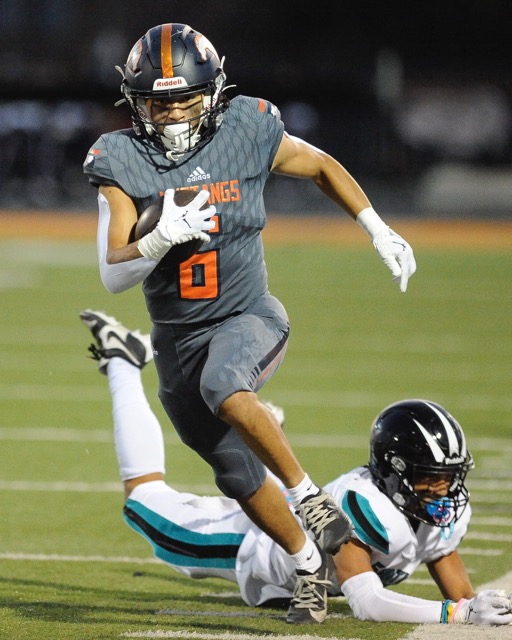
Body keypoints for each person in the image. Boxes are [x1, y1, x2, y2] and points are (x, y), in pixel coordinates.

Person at [82, 23, 417, 623]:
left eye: (185, 97)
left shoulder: (247, 127)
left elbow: (319, 165)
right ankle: (308, 564)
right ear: (136, 102)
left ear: (213, 91)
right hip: (178, 341)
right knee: (235, 474)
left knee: (226, 386)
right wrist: (158, 238)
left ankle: (309, 499)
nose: (174, 113)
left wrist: (377, 226)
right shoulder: (122, 157)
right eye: (159, 102)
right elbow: (113, 270)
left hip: (247, 316)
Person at [80, 309, 512, 627]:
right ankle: (123, 360)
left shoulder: (438, 512)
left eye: (450, 477)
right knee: (142, 499)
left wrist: (479, 607)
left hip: (298, 516)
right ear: (395, 473)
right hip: (251, 546)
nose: (443, 491)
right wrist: (456, 613)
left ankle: (261, 445)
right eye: (429, 478)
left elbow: (460, 590)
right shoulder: (367, 508)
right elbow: (368, 602)